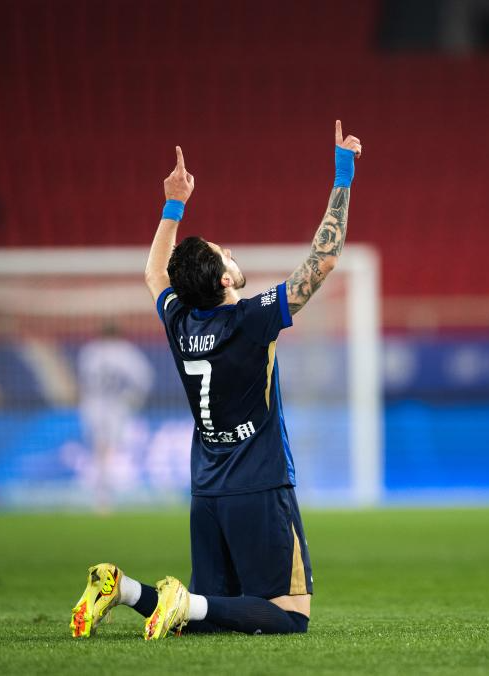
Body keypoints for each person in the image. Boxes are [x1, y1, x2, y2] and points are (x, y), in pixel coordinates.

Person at [70, 120, 361, 639]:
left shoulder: (180, 321)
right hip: (260, 484)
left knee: (208, 613)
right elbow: (325, 257)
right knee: (290, 616)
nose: (229, 249)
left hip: (207, 489)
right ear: (225, 279)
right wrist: (343, 174)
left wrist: (173, 205)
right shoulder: (252, 320)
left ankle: (124, 589)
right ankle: (177, 600)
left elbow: (154, 274)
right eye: (223, 251)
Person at [77, 323, 154, 512]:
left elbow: (82, 379)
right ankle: (106, 491)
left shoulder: (90, 351)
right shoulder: (126, 352)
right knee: (111, 448)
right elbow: (145, 377)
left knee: (99, 448)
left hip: (92, 405)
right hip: (116, 406)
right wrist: (134, 399)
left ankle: (102, 492)